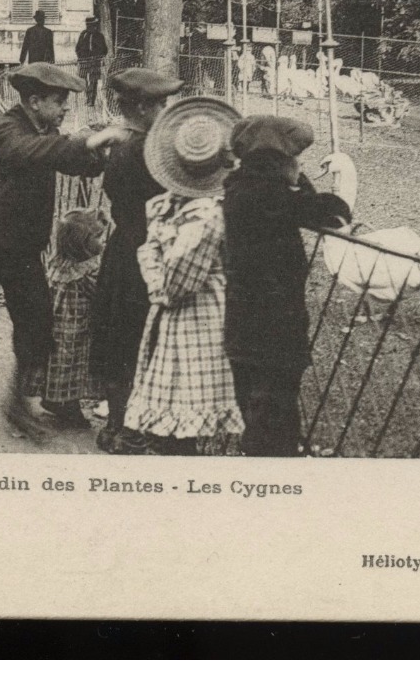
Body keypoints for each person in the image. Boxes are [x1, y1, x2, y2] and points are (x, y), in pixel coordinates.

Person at [0, 62, 128, 438]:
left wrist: (103, 152)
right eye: (59, 101)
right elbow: (30, 152)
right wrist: (86, 141)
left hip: (22, 249)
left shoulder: (48, 132)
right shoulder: (8, 129)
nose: (64, 109)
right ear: (34, 100)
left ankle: (20, 403)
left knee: (37, 325)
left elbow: (72, 160)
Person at [223, 115, 352, 457]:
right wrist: (300, 183)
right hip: (277, 319)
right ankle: (275, 459)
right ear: (282, 163)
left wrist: (292, 181)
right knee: (276, 402)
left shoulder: (236, 188)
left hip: (240, 315)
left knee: (250, 393)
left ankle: (257, 449)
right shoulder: (275, 197)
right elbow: (337, 213)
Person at [126, 98, 245, 455]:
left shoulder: (199, 216)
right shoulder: (181, 210)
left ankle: (181, 451)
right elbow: (170, 274)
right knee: (181, 394)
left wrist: (159, 284)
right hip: (191, 313)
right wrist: (161, 287)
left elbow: (166, 265)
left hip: (196, 315)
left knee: (188, 395)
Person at [88, 67, 185, 455]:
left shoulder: (124, 147)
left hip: (122, 249)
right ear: (143, 108)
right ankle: (133, 429)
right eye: (162, 103)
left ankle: (116, 425)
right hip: (149, 254)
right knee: (140, 339)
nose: (167, 109)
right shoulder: (152, 154)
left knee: (118, 338)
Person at [25, 209, 108, 429]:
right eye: (98, 238)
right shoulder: (89, 269)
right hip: (75, 330)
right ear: (81, 243)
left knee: (55, 366)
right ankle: (66, 406)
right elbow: (99, 296)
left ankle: (54, 400)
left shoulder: (56, 263)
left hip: (55, 328)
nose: (102, 242)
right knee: (72, 369)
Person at [75, 17, 110, 106]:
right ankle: (87, 96)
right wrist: (80, 57)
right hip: (84, 61)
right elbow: (78, 47)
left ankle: (91, 100)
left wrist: (98, 57)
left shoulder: (99, 36)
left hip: (94, 62)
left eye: (92, 25)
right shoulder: (83, 34)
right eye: (88, 25)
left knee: (93, 80)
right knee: (83, 79)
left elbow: (104, 50)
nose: (90, 27)